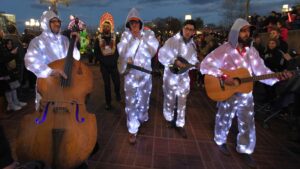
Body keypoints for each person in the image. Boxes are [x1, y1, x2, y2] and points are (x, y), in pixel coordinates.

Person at [200, 18, 292, 168]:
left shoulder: (252, 52)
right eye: (243, 30)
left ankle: (245, 149)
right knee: (224, 117)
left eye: (248, 31)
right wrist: (224, 77)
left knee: (247, 122)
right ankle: (220, 140)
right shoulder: (224, 49)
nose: (247, 33)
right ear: (235, 33)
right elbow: (205, 65)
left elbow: (261, 71)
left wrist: (277, 77)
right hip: (227, 92)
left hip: (246, 93)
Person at [117, 8, 159, 144]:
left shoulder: (149, 34)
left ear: (140, 23)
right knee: (131, 103)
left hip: (145, 75)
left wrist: (142, 40)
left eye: (136, 23)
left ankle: (142, 117)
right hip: (130, 75)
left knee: (144, 100)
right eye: (131, 23)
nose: (134, 25)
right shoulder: (125, 36)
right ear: (128, 25)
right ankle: (133, 129)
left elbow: (152, 52)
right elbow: (123, 53)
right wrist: (135, 41)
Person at [24, 10, 80, 109]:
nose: (57, 24)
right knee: (46, 118)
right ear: (46, 23)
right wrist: (50, 71)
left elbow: (76, 58)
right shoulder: (37, 42)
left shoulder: (65, 40)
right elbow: (30, 61)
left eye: (58, 21)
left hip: (65, 83)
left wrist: (74, 43)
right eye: (53, 21)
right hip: (46, 85)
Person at [158, 20, 199, 138]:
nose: (188, 31)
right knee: (169, 99)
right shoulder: (172, 41)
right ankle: (169, 119)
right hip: (170, 77)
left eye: (191, 30)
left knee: (182, 102)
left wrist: (196, 63)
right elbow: (161, 55)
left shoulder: (192, 45)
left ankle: (180, 124)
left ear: (193, 32)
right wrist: (174, 61)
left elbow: (192, 59)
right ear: (182, 28)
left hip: (183, 78)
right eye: (187, 28)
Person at [94, 13, 121, 110]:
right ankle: (108, 102)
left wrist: (115, 59)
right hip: (104, 66)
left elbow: (118, 50)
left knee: (117, 82)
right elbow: (96, 52)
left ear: (111, 27)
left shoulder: (115, 38)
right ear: (102, 27)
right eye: (104, 26)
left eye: (108, 26)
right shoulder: (98, 39)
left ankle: (117, 93)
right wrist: (102, 60)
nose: (106, 28)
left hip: (113, 65)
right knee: (107, 85)